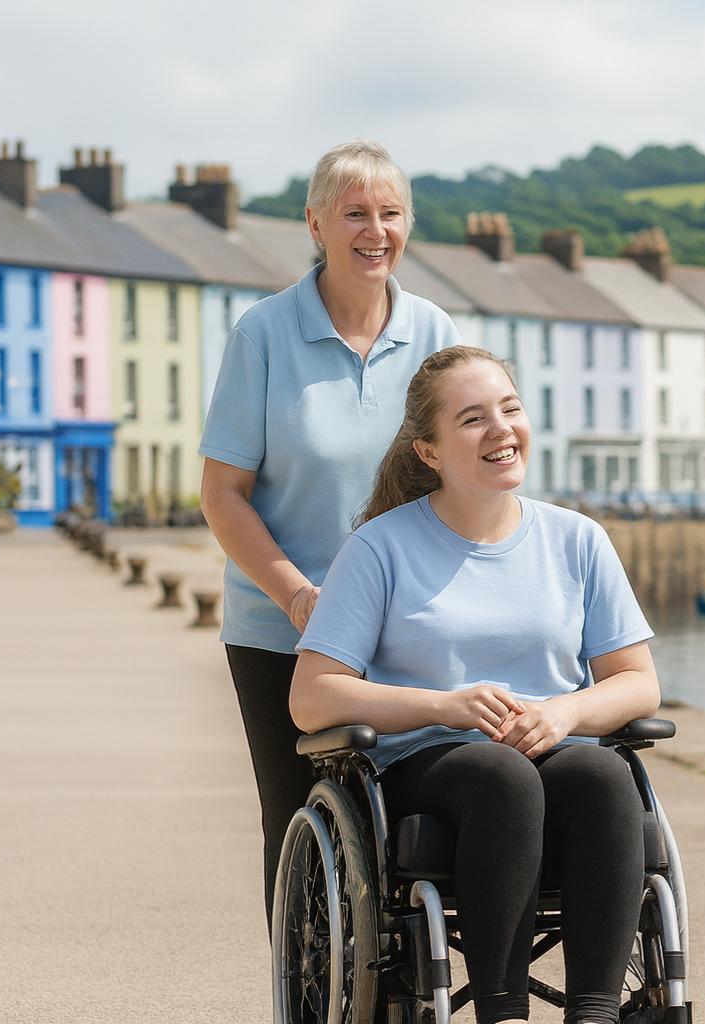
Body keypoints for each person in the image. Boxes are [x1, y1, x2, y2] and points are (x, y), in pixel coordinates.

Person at [291, 346, 661, 1024]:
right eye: (472, 419)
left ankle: (594, 1014)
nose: (500, 429)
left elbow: (636, 683)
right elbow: (312, 694)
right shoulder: (379, 548)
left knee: (605, 777)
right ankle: (503, 1012)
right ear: (429, 451)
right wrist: (444, 705)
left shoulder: (577, 541)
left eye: (510, 409)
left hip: (547, 745)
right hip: (426, 762)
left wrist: (563, 711)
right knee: (500, 775)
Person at [198, 139, 462, 926]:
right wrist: (297, 594)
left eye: (390, 213)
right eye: (355, 213)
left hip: (403, 625)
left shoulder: (433, 329)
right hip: (283, 630)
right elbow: (223, 493)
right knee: (299, 841)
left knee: (414, 834)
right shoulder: (264, 334)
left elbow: (456, 473)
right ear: (314, 223)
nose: (374, 230)